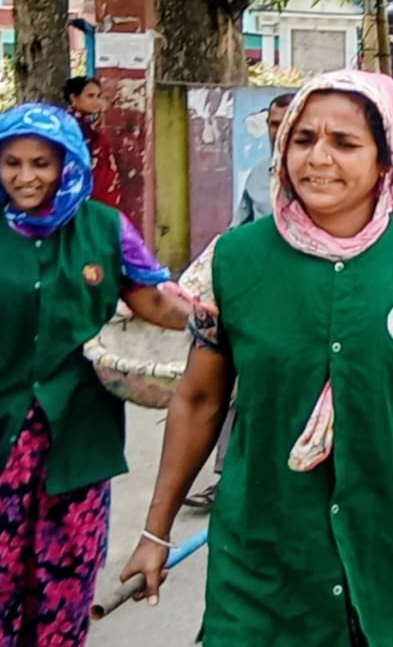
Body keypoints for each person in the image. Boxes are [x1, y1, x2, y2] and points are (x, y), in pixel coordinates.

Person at [121, 70, 393, 645]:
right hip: (265, 554)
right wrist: (156, 530)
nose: (318, 158)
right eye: (303, 139)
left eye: (344, 143)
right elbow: (198, 400)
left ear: (384, 159)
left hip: (392, 547)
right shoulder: (234, 261)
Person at [0, 102, 193, 647]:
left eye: (41, 163)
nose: (26, 177)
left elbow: (154, 301)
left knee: (65, 575)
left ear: (67, 165)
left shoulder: (104, 229)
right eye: (12, 163)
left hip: (78, 437)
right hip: (6, 435)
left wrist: (216, 322)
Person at [186, 91, 294, 511]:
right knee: (234, 389)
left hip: (308, 304)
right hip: (258, 302)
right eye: (272, 124)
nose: (277, 132)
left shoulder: (321, 176)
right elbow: (237, 236)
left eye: (286, 123)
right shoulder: (256, 177)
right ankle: (227, 480)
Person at [232, 93, 294, 226]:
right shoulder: (258, 174)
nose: (280, 132)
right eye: (275, 124)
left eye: (287, 124)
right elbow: (238, 227)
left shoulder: (319, 175)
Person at [64, 75, 122, 208]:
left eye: (98, 96)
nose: (96, 101)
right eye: (90, 96)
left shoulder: (91, 127)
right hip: (82, 199)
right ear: (73, 98)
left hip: (101, 196)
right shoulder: (68, 129)